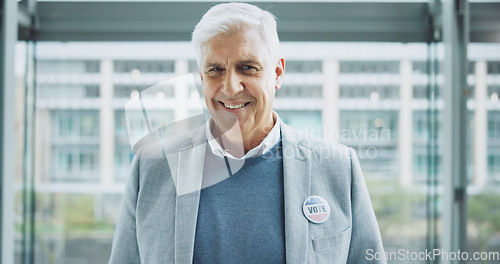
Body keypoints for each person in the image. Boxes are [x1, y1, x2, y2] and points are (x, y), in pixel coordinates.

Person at [109, 3, 385, 264]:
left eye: (247, 68)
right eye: (215, 69)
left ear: (277, 73)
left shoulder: (337, 167)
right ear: (202, 78)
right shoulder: (151, 167)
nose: (230, 87)